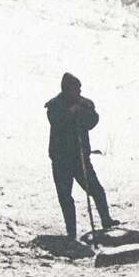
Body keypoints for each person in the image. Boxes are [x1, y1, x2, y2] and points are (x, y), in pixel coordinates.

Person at [46, 71, 115, 240]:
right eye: (75, 89)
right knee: (65, 197)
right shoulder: (54, 106)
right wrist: (71, 113)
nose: (79, 93)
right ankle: (71, 232)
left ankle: (106, 220)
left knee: (96, 190)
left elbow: (92, 121)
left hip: (80, 158)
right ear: (66, 89)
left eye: (79, 89)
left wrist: (83, 112)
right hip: (61, 159)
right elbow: (57, 121)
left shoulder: (83, 104)